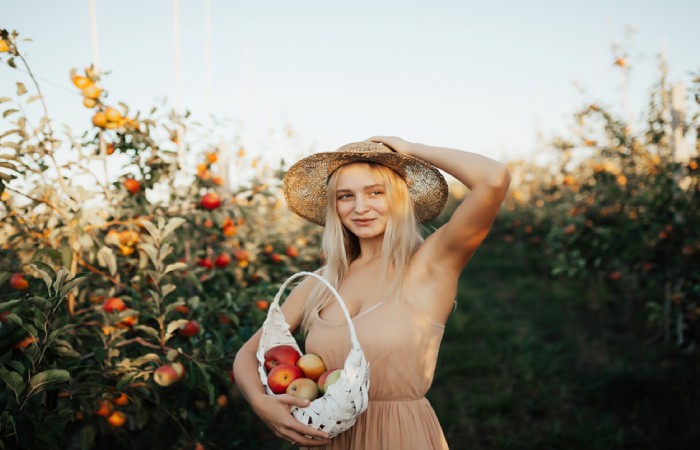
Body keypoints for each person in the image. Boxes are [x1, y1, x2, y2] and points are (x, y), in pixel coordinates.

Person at [233, 136, 511, 449]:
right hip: (327, 439)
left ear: (397, 197)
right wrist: (260, 403)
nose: (360, 207)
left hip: (400, 437)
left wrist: (407, 150)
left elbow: (493, 179)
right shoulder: (322, 281)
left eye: (375, 192)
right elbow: (248, 353)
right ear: (334, 207)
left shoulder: (430, 265)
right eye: (345, 196)